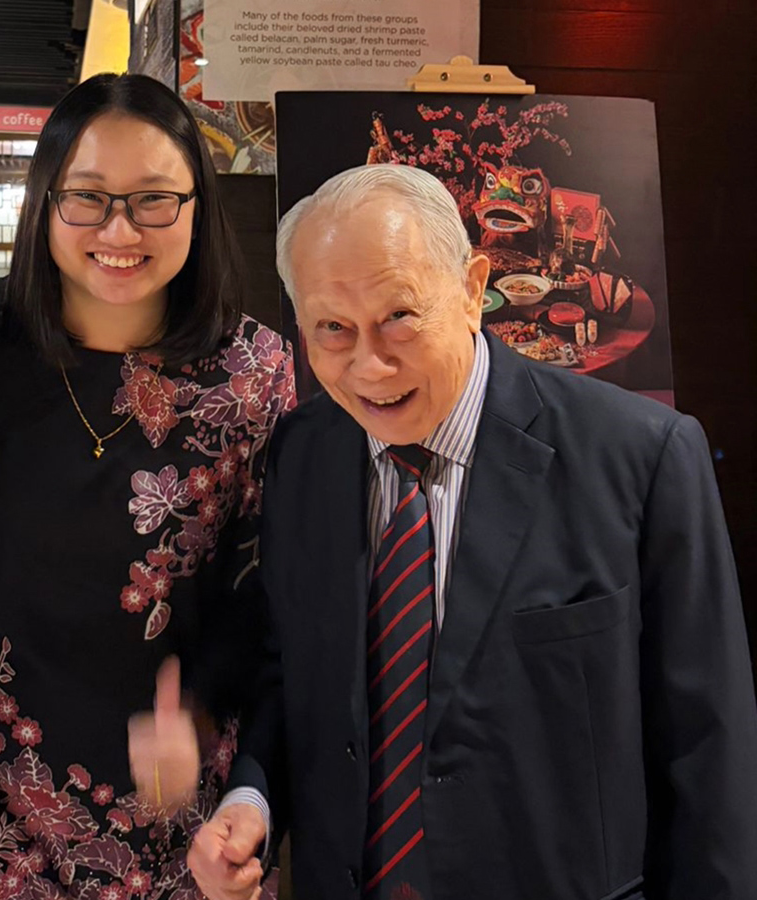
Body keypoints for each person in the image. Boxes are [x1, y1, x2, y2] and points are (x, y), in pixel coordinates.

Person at [184, 164, 757, 900]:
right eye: (332, 328)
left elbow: (710, 753)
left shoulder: (641, 458)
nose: (370, 364)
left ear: (470, 288)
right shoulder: (306, 453)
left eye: (399, 316)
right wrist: (251, 799)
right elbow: (297, 674)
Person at [0, 72, 296, 898]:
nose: (120, 229)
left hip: (182, 807)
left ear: (198, 203)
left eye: (155, 199)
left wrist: (199, 712)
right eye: (87, 197)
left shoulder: (252, 372)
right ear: (45, 203)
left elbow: (267, 588)